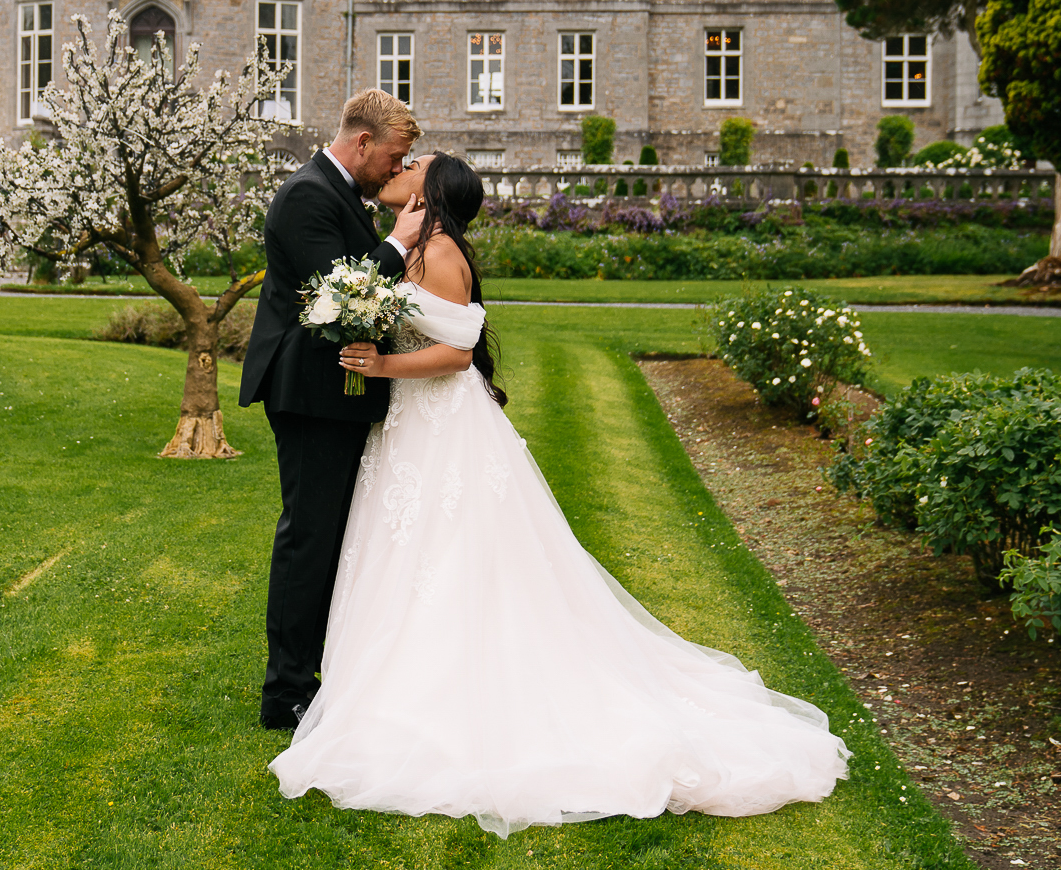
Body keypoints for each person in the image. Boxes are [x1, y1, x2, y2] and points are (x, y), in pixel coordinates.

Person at [268, 153, 851, 836]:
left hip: (443, 426)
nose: (403, 165)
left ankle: (449, 691)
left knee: (453, 550)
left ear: (429, 192)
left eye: (416, 163)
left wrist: (383, 362)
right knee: (403, 551)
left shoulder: (441, 251)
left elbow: (459, 347)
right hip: (406, 427)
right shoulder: (403, 249)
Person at [241, 90, 426, 731]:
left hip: (335, 389)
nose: (397, 170)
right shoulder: (306, 194)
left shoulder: (340, 193)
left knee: (332, 537)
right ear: (363, 142)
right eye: (396, 158)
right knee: (309, 537)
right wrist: (400, 243)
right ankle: (285, 691)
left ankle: (319, 673)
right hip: (310, 393)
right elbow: (340, 292)